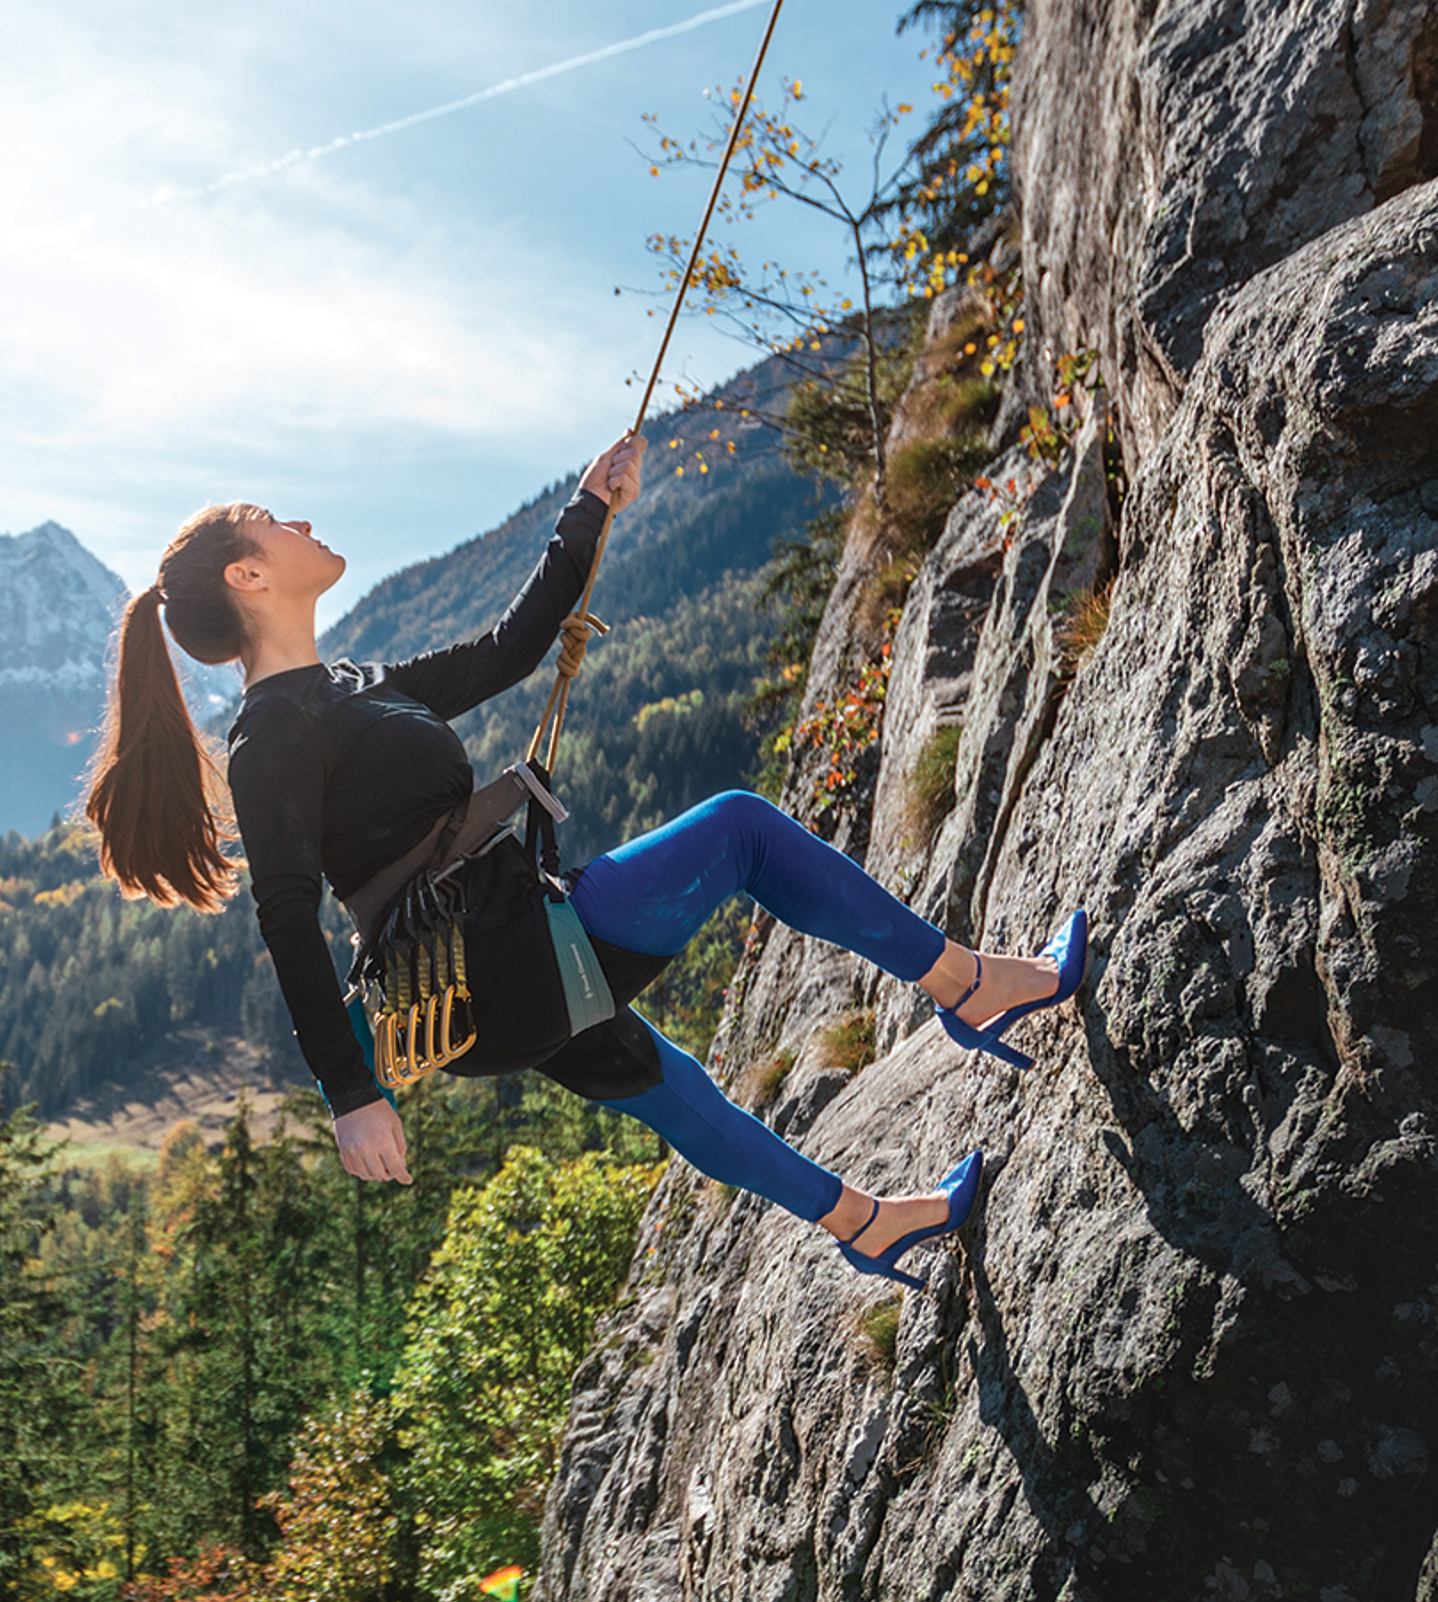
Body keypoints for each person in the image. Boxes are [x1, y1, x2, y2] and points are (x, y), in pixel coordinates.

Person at [84, 435, 1085, 1286]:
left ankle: (867, 1224)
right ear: (246, 577)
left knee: (669, 1083)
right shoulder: (273, 737)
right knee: (738, 829)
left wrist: (587, 508)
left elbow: (508, 650)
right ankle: (968, 984)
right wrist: (351, 1094)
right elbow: (288, 917)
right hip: (496, 956)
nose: (298, 521)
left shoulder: (349, 687)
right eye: (271, 520)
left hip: (494, 971)